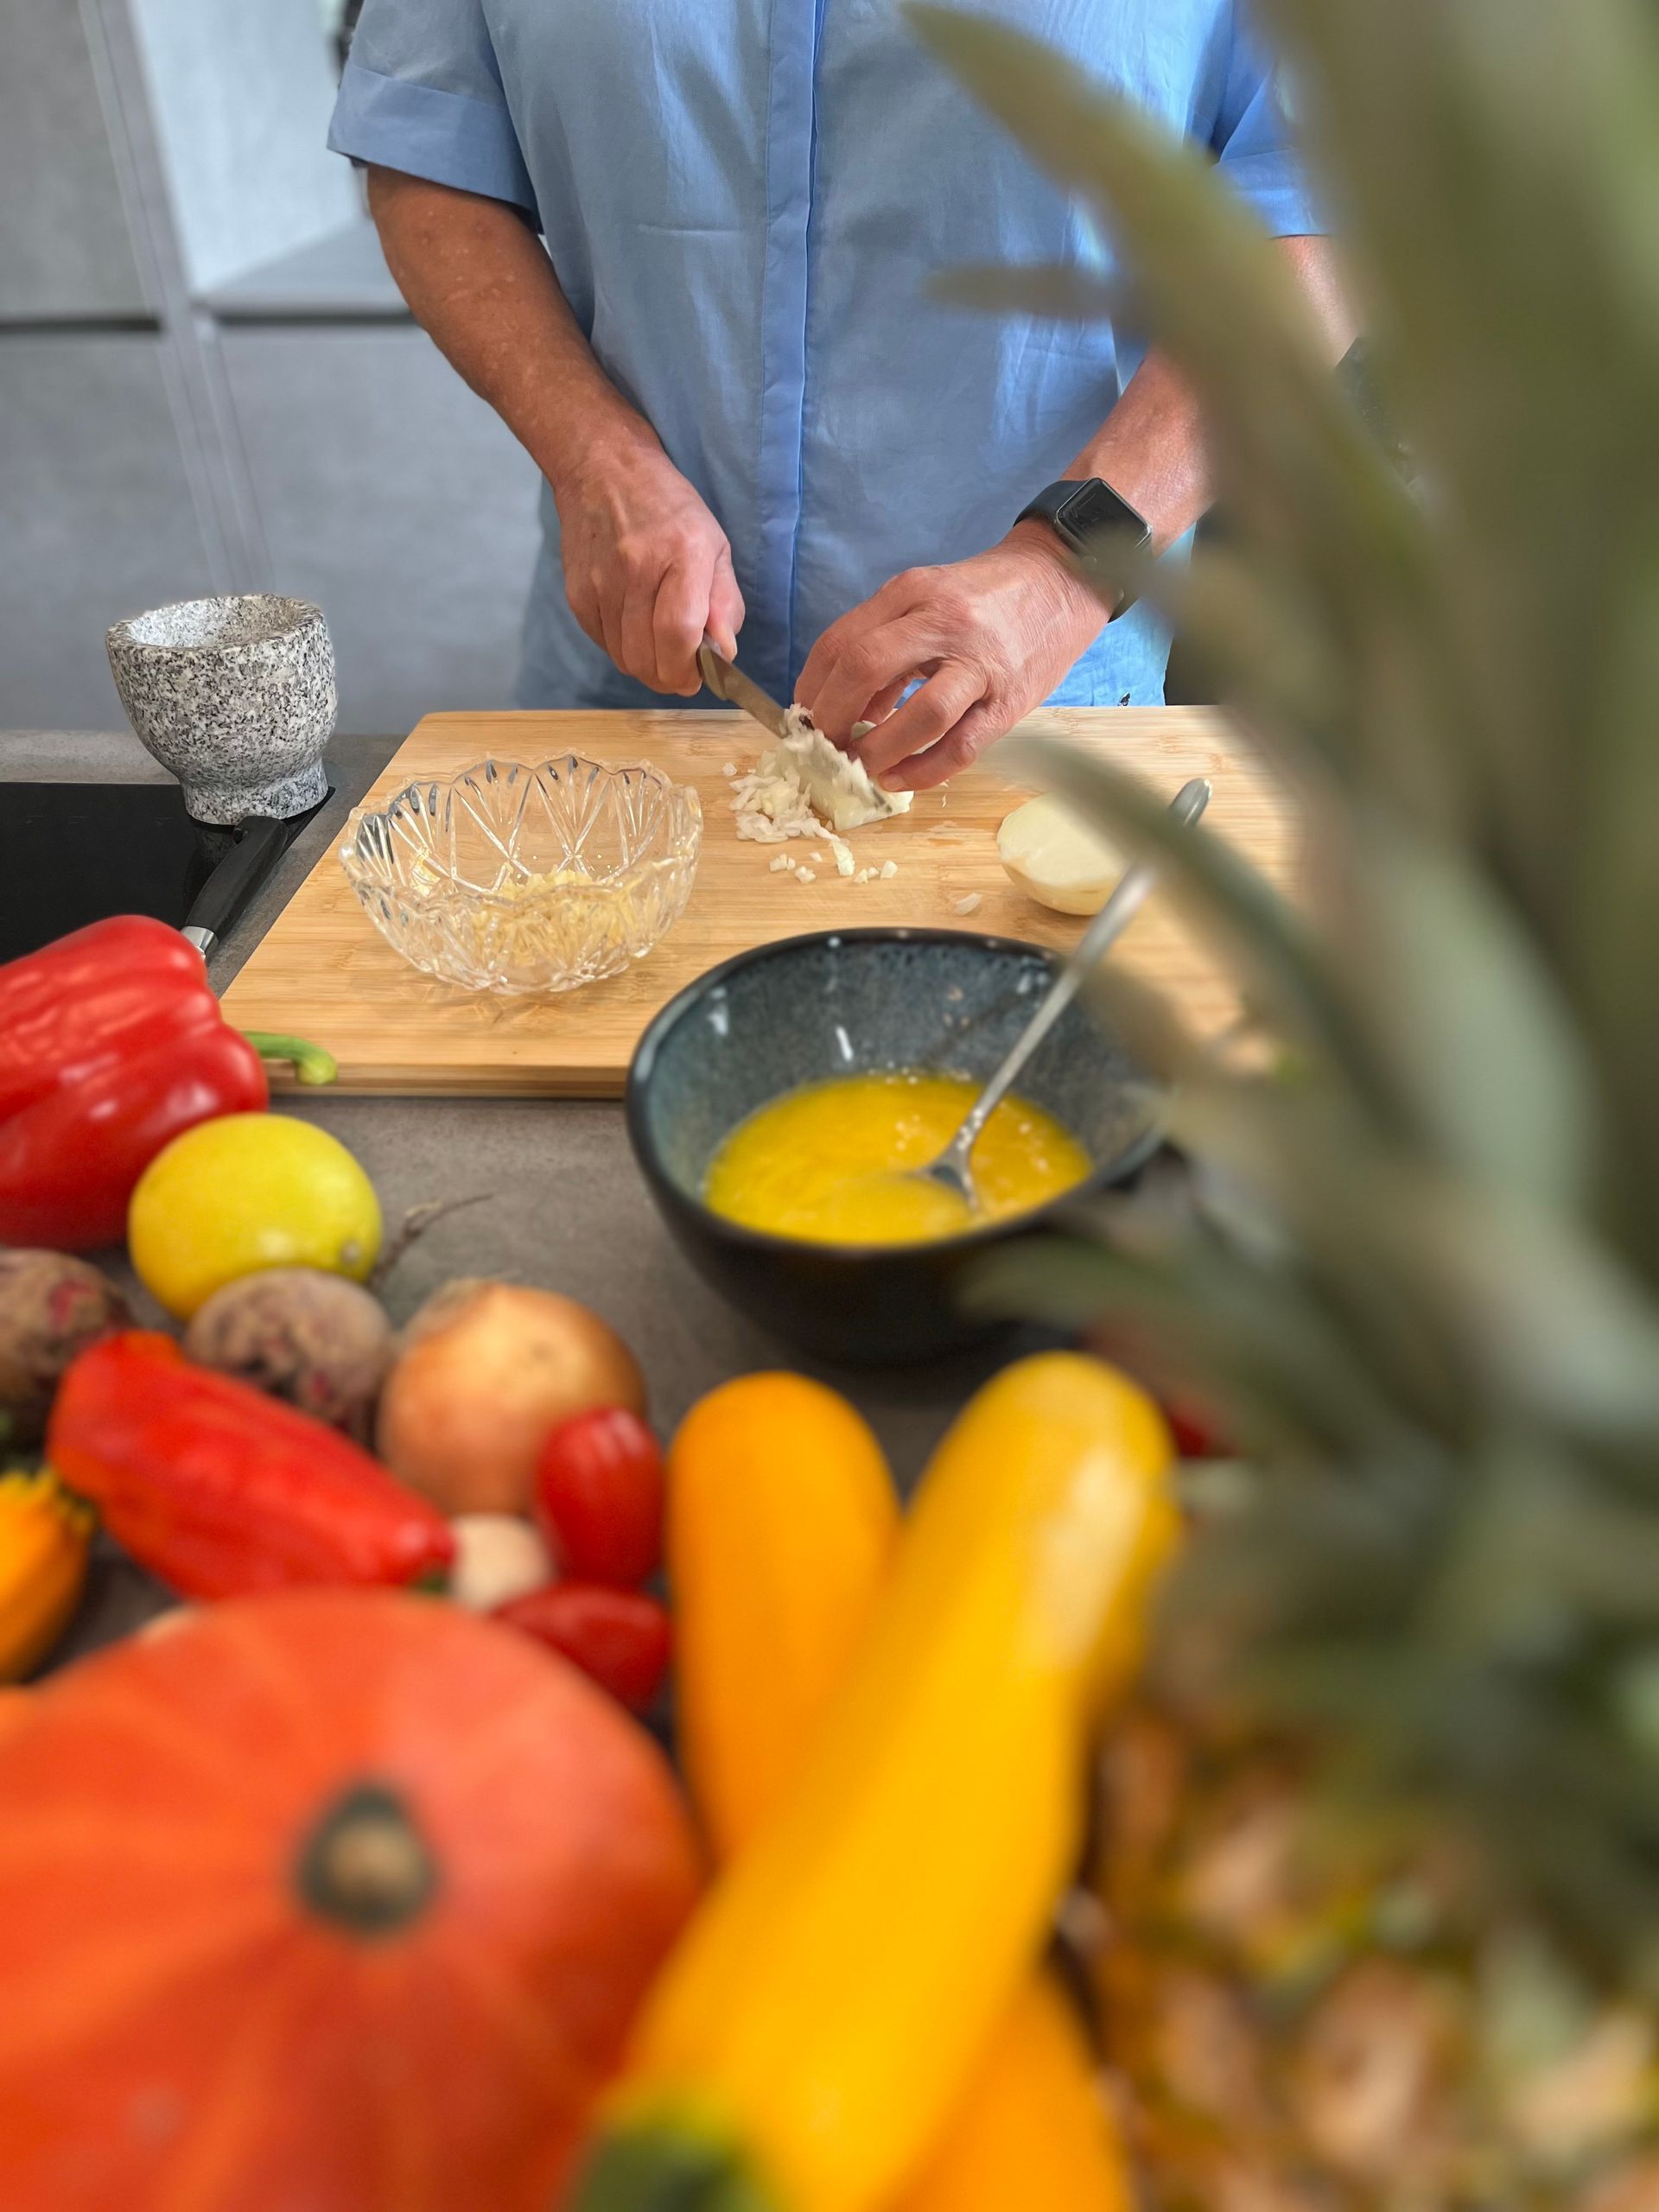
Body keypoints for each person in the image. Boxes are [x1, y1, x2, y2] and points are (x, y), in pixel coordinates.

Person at [330, 3, 1347, 789]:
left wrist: (1068, 563)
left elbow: (1328, 217)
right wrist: (591, 451)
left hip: (1042, 696)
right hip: (631, 681)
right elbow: (427, 148)